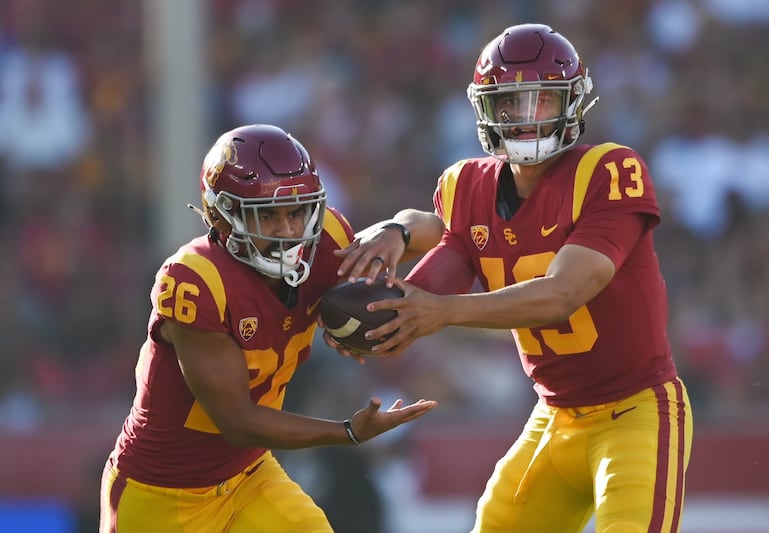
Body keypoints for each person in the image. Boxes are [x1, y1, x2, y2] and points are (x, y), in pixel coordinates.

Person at [333, 24, 693, 533]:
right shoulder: (466, 185)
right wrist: (365, 314)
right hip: (553, 417)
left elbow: (561, 295)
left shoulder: (607, 170)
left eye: (542, 100)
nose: (526, 117)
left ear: (572, 102)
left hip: (635, 412)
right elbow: (433, 263)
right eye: (509, 102)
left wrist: (442, 312)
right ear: (486, 109)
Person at [98, 124, 441, 533]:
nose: (288, 231)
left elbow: (436, 230)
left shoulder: (326, 241)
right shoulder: (195, 280)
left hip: (248, 477)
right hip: (162, 493)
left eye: (296, 212)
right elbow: (237, 421)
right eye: (266, 215)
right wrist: (346, 432)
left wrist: (396, 232)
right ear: (222, 215)